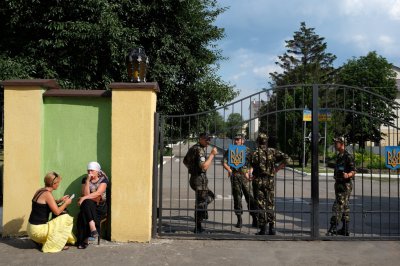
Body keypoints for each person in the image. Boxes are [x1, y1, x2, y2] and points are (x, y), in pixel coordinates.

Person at [251, 133, 290, 235]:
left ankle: (263, 228)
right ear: (266, 141)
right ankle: (272, 228)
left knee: (260, 205)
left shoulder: (254, 153)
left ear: (258, 141)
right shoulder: (273, 151)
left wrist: (251, 174)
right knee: (270, 203)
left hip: (259, 181)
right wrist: (276, 169)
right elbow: (287, 159)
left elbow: (249, 165)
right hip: (269, 180)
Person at [27, 172, 76, 252]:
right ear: (54, 184)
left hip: (30, 228)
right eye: (58, 183)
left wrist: (60, 200)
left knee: (59, 216)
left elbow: (46, 204)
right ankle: (57, 244)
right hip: (38, 231)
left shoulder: (40, 190)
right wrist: (66, 203)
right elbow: (57, 212)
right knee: (65, 217)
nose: (58, 185)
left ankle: (40, 241)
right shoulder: (47, 194)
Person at [183, 132, 218, 233]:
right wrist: (212, 155)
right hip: (199, 180)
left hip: (195, 178)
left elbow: (185, 161)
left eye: (209, 139)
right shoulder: (199, 150)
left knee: (207, 198)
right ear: (201, 139)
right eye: (206, 139)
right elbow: (204, 166)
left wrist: (192, 169)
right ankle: (198, 227)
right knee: (201, 203)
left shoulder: (193, 148)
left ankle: (201, 215)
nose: (208, 142)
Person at [222, 134, 257, 228]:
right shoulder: (230, 150)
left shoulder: (248, 151)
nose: (236, 141)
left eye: (238, 139)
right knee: (237, 198)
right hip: (235, 176)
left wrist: (251, 171)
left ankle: (254, 218)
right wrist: (229, 170)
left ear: (243, 141)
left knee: (250, 198)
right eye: (235, 139)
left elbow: (254, 163)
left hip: (246, 178)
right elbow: (224, 162)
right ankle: (239, 219)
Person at [76, 162, 109, 249]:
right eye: (88, 170)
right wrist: (87, 181)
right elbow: (86, 194)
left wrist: (83, 198)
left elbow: (98, 193)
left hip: (100, 207)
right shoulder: (85, 180)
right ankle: (92, 226)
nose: (89, 172)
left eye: (92, 170)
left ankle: (83, 240)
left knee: (84, 207)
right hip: (89, 206)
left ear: (97, 171)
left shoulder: (103, 180)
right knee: (86, 205)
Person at [327, 137, 356, 236]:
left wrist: (348, 175)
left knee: (337, 206)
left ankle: (333, 227)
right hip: (339, 184)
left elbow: (353, 170)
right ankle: (345, 229)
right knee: (345, 206)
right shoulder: (339, 155)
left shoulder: (348, 156)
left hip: (345, 185)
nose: (335, 144)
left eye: (337, 143)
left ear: (342, 143)